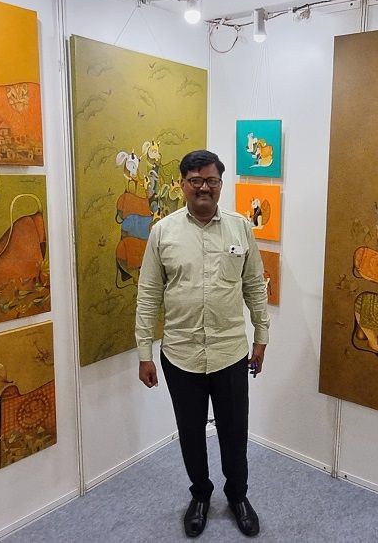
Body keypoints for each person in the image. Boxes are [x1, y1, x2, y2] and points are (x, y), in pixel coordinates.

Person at [135, 149, 270, 538]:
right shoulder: (163, 232)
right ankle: (200, 495)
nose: (204, 188)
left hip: (230, 353)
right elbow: (148, 295)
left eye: (211, 180)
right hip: (180, 355)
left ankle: (238, 496)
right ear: (183, 185)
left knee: (234, 432)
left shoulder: (241, 228)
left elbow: (254, 287)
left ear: (220, 185)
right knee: (191, 433)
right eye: (195, 181)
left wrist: (261, 336)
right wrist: (144, 353)